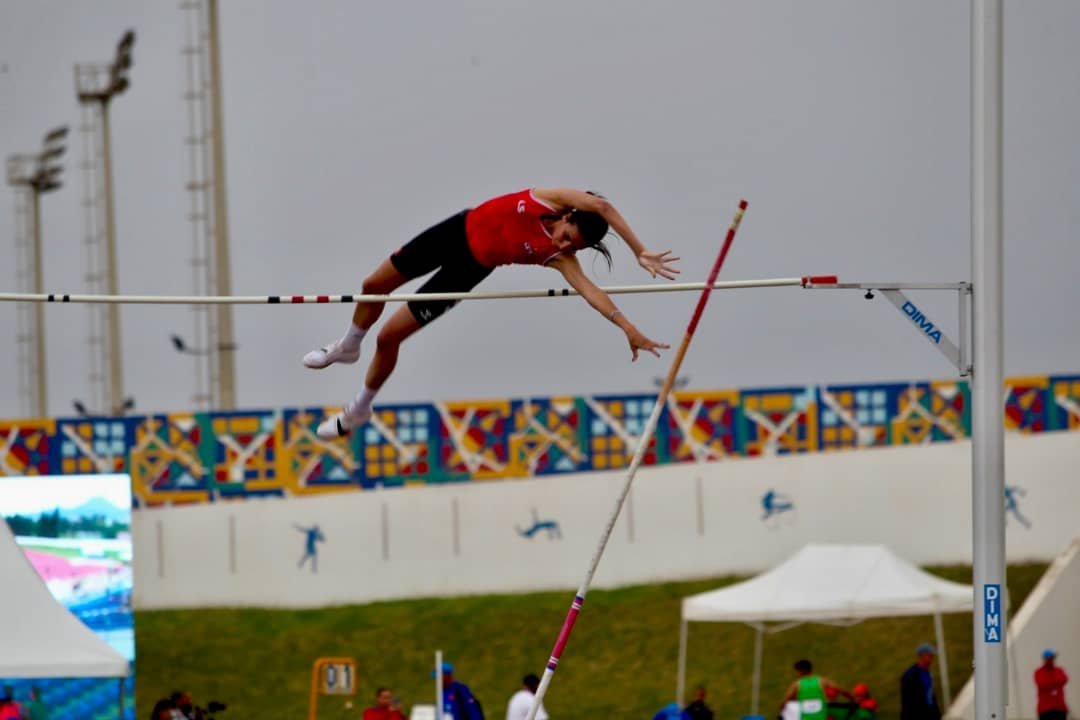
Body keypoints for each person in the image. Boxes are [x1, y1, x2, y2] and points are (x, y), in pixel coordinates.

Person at [305, 188, 679, 439]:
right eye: (567, 235)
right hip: (455, 231)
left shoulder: (560, 257)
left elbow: (591, 292)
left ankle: (359, 409)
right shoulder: (549, 199)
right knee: (372, 285)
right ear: (567, 216)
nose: (563, 244)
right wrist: (639, 250)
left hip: (468, 270)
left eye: (573, 247)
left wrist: (627, 327)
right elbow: (604, 207)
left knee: (389, 338)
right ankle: (349, 345)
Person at [779, 660, 853, 720]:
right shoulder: (821, 681)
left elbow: (786, 699)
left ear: (801, 671)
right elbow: (840, 690)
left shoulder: (797, 684)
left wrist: (782, 711)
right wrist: (852, 698)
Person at [900, 643, 942, 720]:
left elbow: (930, 695)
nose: (931, 659)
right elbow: (909, 701)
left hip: (929, 714)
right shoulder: (910, 675)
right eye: (930, 656)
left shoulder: (927, 673)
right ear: (922, 656)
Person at [1034, 649, 1069, 720]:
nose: (1051, 660)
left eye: (1052, 658)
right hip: (1045, 709)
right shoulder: (1039, 672)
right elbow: (1042, 684)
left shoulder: (1059, 670)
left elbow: (1064, 679)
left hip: (1060, 708)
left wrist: (1050, 682)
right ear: (1045, 659)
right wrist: (1055, 682)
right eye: (1050, 658)